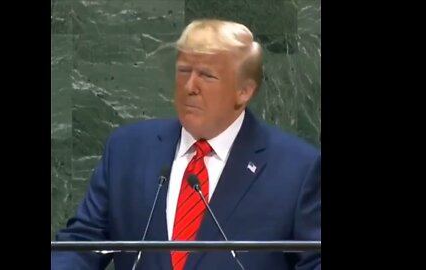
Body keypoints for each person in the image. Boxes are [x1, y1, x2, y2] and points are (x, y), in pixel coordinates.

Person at [51, 19, 321, 270]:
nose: (190, 85)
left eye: (207, 75)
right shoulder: (127, 150)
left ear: (244, 91)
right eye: (183, 71)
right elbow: (83, 243)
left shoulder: (297, 169)